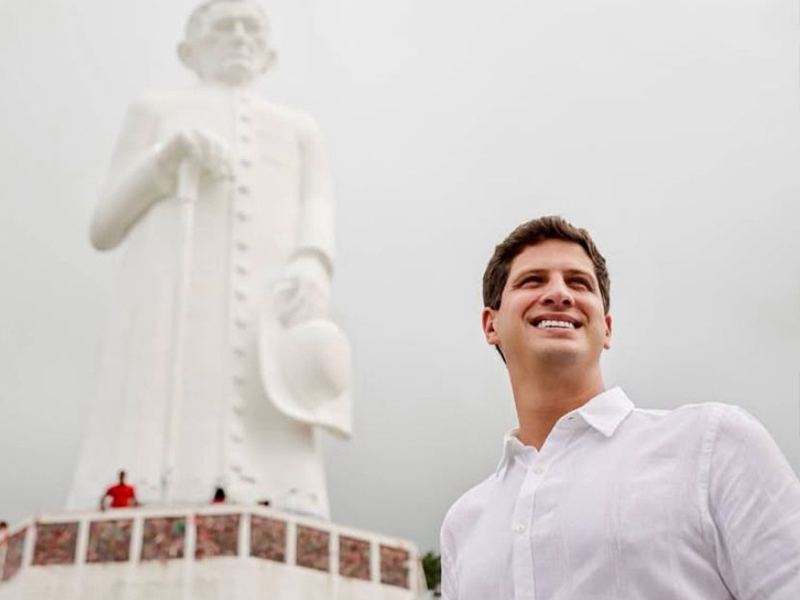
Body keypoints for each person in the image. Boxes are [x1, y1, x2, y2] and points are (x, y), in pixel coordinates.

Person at [67, 0, 351, 519]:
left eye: (252, 28)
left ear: (270, 51)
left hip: (270, 300)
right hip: (171, 302)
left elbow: (318, 201)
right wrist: (165, 161)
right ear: (188, 50)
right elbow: (103, 226)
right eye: (225, 27)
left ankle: (284, 504)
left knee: (271, 402)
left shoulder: (298, 127)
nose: (240, 37)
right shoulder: (155, 109)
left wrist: (313, 259)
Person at [440, 216, 800, 600]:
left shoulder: (712, 445)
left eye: (579, 283)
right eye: (533, 280)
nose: (559, 294)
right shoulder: (463, 525)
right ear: (490, 324)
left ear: (606, 327)